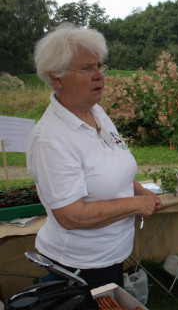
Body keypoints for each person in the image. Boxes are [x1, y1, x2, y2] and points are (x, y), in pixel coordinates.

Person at [27, 24, 162, 289]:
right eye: (87, 68)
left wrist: (139, 191)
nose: (99, 76)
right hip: (80, 265)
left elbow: (115, 165)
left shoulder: (96, 112)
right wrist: (135, 204)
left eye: (100, 66)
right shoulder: (51, 139)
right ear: (57, 78)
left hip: (111, 256)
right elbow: (71, 216)